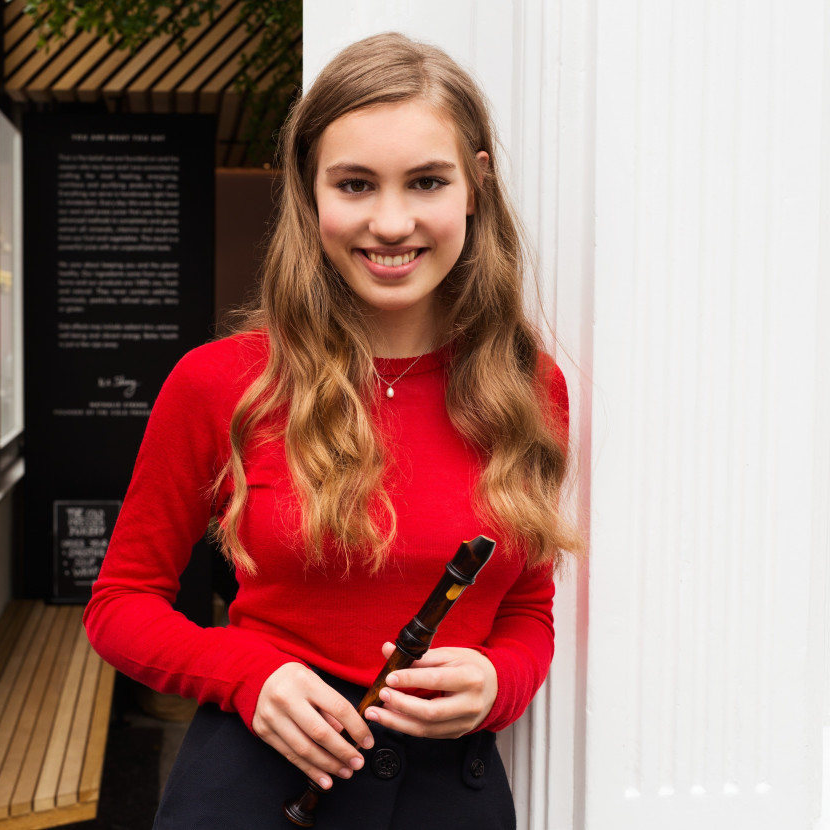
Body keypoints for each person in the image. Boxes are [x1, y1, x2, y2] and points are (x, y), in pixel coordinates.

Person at [83, 32, 581, 829]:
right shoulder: (221, 382)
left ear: (475, 187)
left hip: (449, 799)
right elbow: (120, 604)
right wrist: (247, 675)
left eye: (426, 181)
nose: (391, 222)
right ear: (309, 192)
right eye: (354, 184)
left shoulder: (527, 387)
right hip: (256, 788)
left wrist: (502, 682)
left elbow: (527, 603)